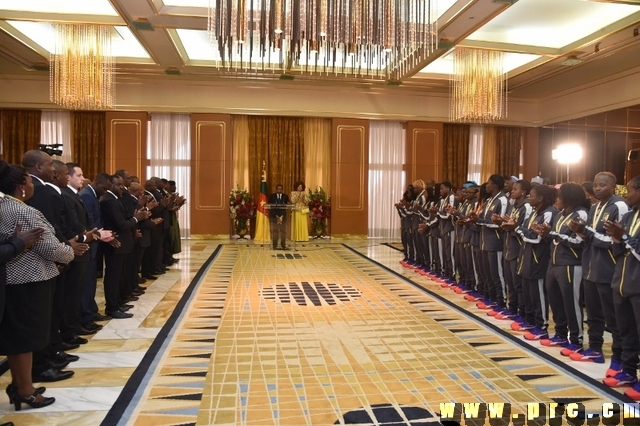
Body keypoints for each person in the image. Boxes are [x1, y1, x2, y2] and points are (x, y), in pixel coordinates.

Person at [0, 161, 74, 410]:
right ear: (22, 187)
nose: (32, 184)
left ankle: (21, 385)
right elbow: (51, 248)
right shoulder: (23, 211)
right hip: (30, 282)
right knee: (26, 338)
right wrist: (70, 251)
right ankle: (25, 390)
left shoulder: (4, 207)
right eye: (30, 181)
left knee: (17, 336)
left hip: (11, 282)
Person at [568, 172, 628, 375]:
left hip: (608, 270)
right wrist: (580, 231)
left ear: (613, 187)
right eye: (595, 185)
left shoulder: (618, 205)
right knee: (593, 314)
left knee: (613, 320)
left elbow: (615, 240)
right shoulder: (594, 207)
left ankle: (620, 359)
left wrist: (589, 233)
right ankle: (595, 349)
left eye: (603, 185)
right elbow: (590, 237)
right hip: (591, 268)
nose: (597, 188)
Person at [536, 183, 589, 349]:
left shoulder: (581, 213)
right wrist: (544, 233)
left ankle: (576, 339)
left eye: (560, 196)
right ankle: (560, 334)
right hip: (554, 263)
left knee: (572, 303)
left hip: (571, 264)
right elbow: (555, 238)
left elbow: (580, 242)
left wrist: (553, 234)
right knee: (555, 301)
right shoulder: (560, 214)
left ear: (570, 197)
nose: (557, 199)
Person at [604, 175, 640, 396]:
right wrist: (618, 239)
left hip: (638, 284)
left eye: (630, 190)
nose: (627, 194)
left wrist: (624, 237)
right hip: (622, 282)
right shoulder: (628, 216)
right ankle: (628, 371)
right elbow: (619, 251)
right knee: (626, 331)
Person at [268, 184, 290, 250]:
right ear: (276, 189)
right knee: (275, 231)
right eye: (278, 189)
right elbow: (269, 204)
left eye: (280, 189)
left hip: (283, 216)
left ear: (282, 190)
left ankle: (283, 245)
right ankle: (274, 245)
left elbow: (288, 204)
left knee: (283, 231)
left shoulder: (285, 196)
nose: (279, 190)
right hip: (274, 216)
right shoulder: (272, 196)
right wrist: (277, 216)